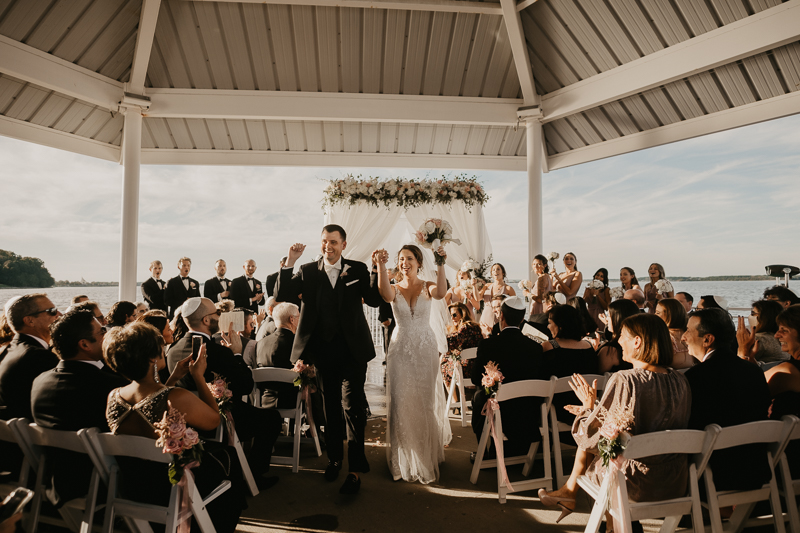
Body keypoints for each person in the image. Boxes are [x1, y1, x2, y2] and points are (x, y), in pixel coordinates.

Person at [539, 314, 691, 526]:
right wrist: (593, 410)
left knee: (604, 456)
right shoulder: (680, 380)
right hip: (674, 482)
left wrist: (586, 413)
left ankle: (605, 521)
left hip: (634, 484)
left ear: (637, 341)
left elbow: (594, 439)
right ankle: (573, 497)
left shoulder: (626, 380)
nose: (618, 341)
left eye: (622, 336)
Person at [104, 322, 245, 533]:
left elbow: (152, 400)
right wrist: (198, 376)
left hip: (135, 483)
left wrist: (173, 378)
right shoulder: (177, 397)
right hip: (170, 483)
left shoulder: (114, 396)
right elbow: (214, 420)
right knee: (227, 457)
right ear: (152, 357)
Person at [276, 224, 383, 495]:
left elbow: (372, 300)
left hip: (353, 352)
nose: (328, 246)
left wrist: (375, 270)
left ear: (343, 245)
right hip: (323, 353)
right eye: (324, 241)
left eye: (333, 242)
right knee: (331, 409)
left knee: (353, 406)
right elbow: (283, 296)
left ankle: (355, 469)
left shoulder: (356, 269)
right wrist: (290, 262)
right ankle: (335, 459)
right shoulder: (309, 271)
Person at [166, 297, 282, 490]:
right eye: (216, 314)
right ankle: (255, 476)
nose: (220, 317)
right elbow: (246, 386)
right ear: (205, 320)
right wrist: (236, 354)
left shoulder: (173, 350)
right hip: (219, 421)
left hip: (186, 424)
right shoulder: (217, 352)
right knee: (272, 419)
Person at [31, 307, 128, 507]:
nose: (107, 334)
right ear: (84, 344)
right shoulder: (110, 387)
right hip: (100, 482)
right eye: (102, 332)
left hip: (55, 480)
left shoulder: (40, 381)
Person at [375, 244, 451, 484]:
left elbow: (441, 292)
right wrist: (380, 264)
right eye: (401, 259)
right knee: (400, 400)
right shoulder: (394, 288)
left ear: (419, 262)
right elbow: (385, 294)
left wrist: (440, 262)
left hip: (425, 348)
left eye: (409, 258)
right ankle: (403, 459)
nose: (404, 263)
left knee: (423, 400)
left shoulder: (428, 286)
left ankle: (425, 454)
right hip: (400, 348)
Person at [683, 308, 771, 493]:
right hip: (756, 470)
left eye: (688, 331)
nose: (683, 337)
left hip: (712, 476)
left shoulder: (695, 377)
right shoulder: (753, 371)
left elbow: (691, 428)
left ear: (707, 339)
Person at [470, 296, 546, 461]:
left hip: (500, 413)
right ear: (522, 319)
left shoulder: (488, 345)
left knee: (478, 398)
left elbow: (475, 378)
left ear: (501, 316)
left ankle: (485, 452)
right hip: (529, 414)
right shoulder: (535, 348)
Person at [0, 294, 61, 420]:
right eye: (51, 311)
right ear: (30, 321)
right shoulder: (39, 357)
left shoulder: (7, 351)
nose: (59, 314)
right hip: (34, 433)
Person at [542, 305, 598, 424]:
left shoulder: (549, 347)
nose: (548, 326)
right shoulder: (589, 347)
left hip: (558, 409)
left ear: (560, 326)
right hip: (588, 407)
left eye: (550, 323)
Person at [763, 305, 800, 475]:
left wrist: (743, 353)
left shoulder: (787, 372)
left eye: (783, 330)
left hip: (786, 460)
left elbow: (751, 391)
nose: (777, 335)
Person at [255, 303, 300, 409]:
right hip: (291, 400)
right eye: (299, 317)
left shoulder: (260, 343)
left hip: (265, 399)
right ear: (291, 319)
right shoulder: (296, 344)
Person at [440, 302, 483, 396]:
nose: (452, 318)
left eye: (455, 315)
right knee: (446, 358)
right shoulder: (474, 326)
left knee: (443, 364)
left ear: (462, 314)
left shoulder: (466, 327)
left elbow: (452, 342)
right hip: (477, 365)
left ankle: (456, 402)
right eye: (450, 315)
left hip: (468, 368)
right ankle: (458, 402)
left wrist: (437, 336)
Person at [737, 299, 788, 365]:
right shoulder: (783, 339)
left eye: (753, 314)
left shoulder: (759, 339)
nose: (749, 316)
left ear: (764, 318)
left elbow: (741, 362)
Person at [596, 299, 640, 373]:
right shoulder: (639, 345)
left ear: (617, 319)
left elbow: (598, 377)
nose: (607, 319)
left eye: (609, 316)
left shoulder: (610, 351)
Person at [654, 298, 693, 369]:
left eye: (658, 313)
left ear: (670, 315)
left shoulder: (664, 337)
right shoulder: (692, 333)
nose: (655, 315)